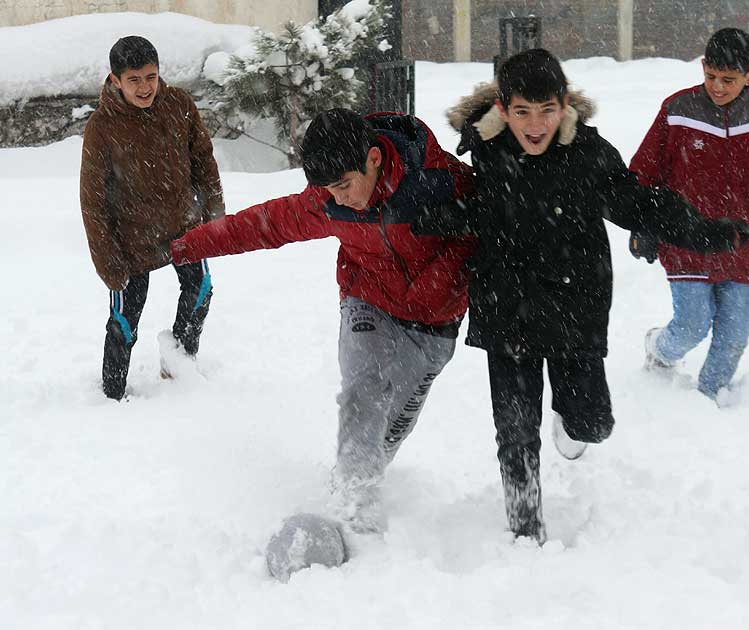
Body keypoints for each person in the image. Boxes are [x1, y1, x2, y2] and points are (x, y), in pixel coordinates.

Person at [414, 48, 749, 543]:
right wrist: (434, 215)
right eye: (522, 111)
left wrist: (703, 232)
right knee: (515, 433)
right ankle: (526, 532)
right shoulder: (487, 152)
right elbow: (477, 210)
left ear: (564, 104)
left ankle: (571, 429)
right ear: (503, 109)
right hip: (506, 309)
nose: (535, 125)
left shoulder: (587, 156)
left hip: (575, 309)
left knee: (592, 424)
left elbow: (638, 202)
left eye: (546, 110)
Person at [170, 108, 475, 533]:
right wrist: (186, 246)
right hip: (367, 297)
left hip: (434, 318)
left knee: (393, 426)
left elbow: (497, 218)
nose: (339, 198)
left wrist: (460, 247)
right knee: (362, 390)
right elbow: (264, 225)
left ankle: (364, 473)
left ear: (372, 158)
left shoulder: (438, 179)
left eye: (345, 186)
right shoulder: (330, 201)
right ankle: (354, 508)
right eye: (329, 190)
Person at [629, 28, 749, 404]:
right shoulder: (678, 111)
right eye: (711, 77)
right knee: (692, 325)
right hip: (686, 232)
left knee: (734, 336)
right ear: (703, 67)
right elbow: (645, 171)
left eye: (729, 80)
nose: (718, 87)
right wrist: (645, 223)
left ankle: (707, 403)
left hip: (742, 237)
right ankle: (659, 350)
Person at [79, 36, 224, 401]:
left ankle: (179, 363)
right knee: (125, 323)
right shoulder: (102, 127)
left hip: (182, 225)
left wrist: (214, 216)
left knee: (201, 292)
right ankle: (111, 396)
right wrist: (107, 259)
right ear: (115, 80)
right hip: (130, 240)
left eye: (151, 77)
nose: (145, 87)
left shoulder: (179, 105)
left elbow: (204, 162)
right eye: (134, 80)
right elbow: (92, 202)